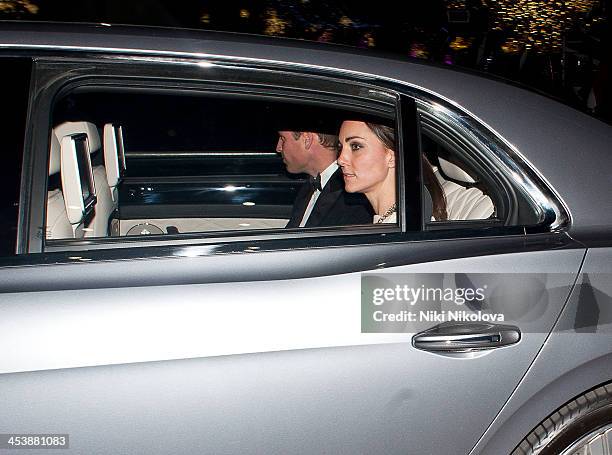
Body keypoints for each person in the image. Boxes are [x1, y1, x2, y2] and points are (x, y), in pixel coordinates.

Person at [337, 121, 447, 224]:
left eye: (356, 146)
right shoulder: (395, 223)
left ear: (392, 157)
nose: (340, 160)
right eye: (340, 147)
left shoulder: (406, 227)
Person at [276, 130, 373, 228]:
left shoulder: (353, 197)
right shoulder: (309, 186)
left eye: (283, 139)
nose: (278, 148)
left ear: (307, 140)